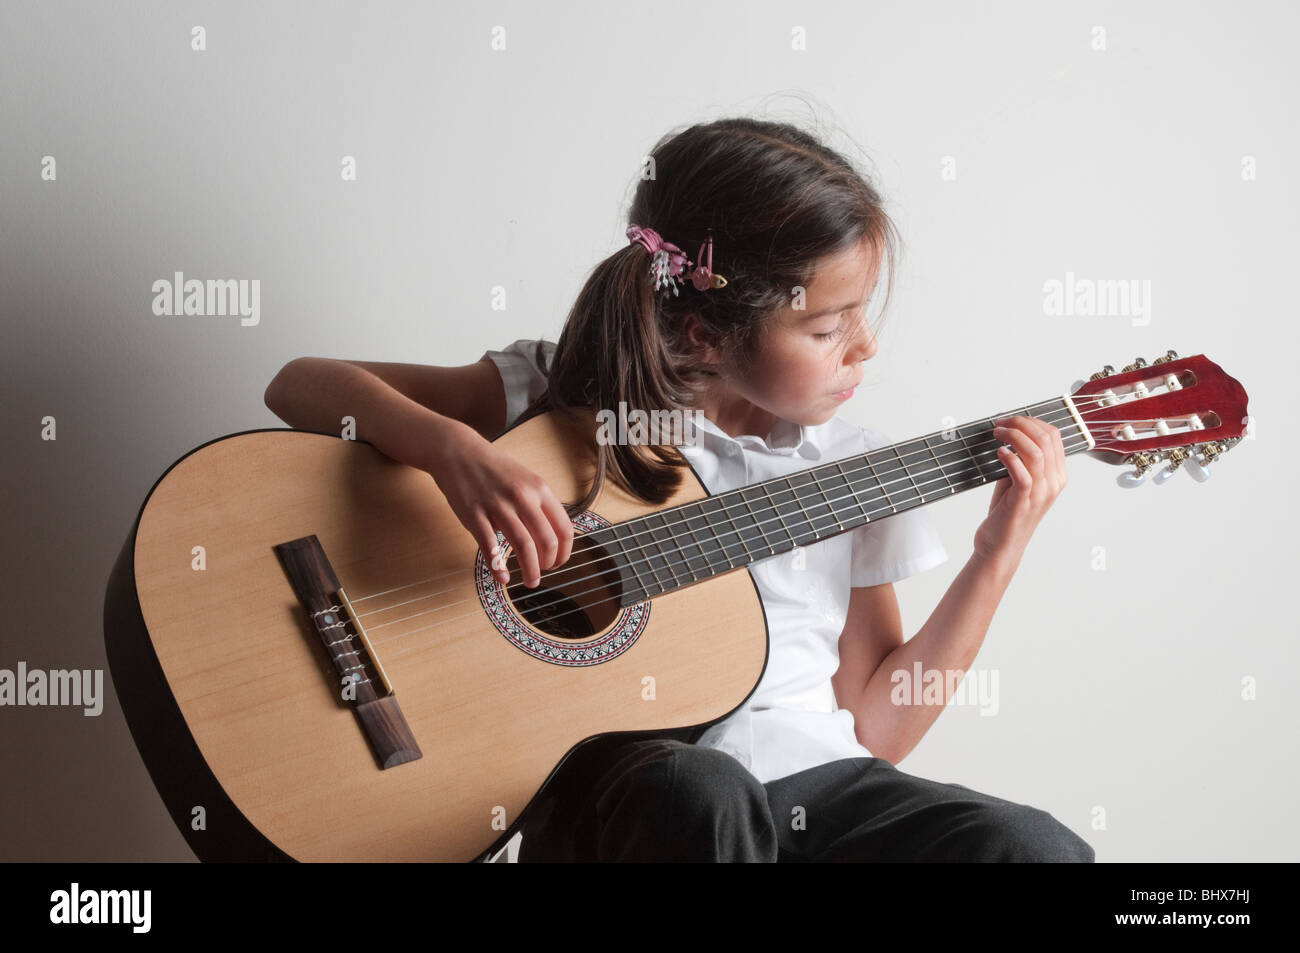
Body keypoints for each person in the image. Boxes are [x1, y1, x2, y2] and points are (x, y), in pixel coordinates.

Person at [264, 116, 1095, 863]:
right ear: (706, 329)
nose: (864, 347)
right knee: (702, 791)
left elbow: (875, 728)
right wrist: (448, 449)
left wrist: (997, 551)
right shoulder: (566, 398)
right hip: (635, 796)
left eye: (863, 315)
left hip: (817, 791)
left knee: (1035, 851)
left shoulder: (851, 473)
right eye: (827, 326)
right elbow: (300, 385)